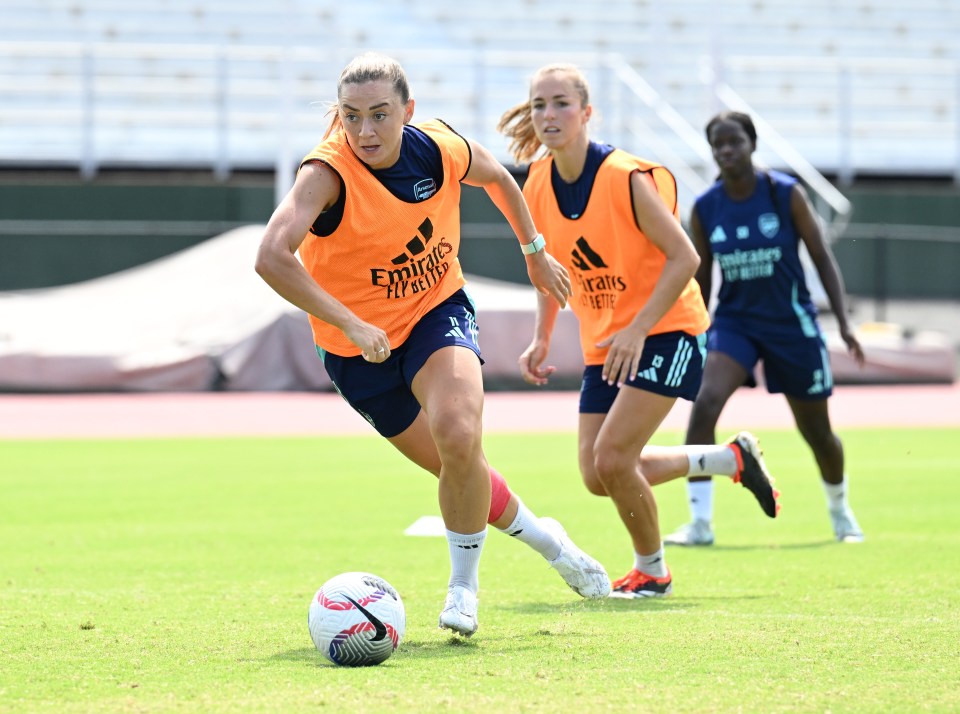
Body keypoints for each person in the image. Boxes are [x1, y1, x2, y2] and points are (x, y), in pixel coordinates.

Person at [255, 53, 611, 638]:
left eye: (379, 115)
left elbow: (498, 178)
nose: (365, 131)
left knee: (459, 432)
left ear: (408, 111)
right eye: (351, 117)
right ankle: (552, 543)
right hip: (357, 352)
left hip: (434, 310)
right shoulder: (325, 173)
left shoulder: (439, 146)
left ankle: (463, 589)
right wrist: (349, 323)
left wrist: (535, 252)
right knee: (459, 466)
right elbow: (270, 256)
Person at [497, 64, 780, 599]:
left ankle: (652, 571)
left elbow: (685, 257)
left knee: (613, 459)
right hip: (610, 340)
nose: (548, 115)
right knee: (596, 473)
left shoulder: (624, 177)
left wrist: (638, 330)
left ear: (586, 113)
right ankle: (729, 459)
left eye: (560, 103)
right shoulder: (535, 183)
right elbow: (548, 269)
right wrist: (542, 335)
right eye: (538, 105)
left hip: (669, 329)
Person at [664, 110, 866, 547]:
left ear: (752, 143)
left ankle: (840, 509)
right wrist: (692, 332)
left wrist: (844, 322)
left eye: (734, 141)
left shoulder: (784, 194)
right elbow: (701, 280)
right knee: (705, 404)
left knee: (817, 432)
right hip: (736, 324)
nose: (726, 150)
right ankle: (700, 523)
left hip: (791, 325)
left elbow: (821, 257)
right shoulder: (706, 207)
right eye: (717, 144)